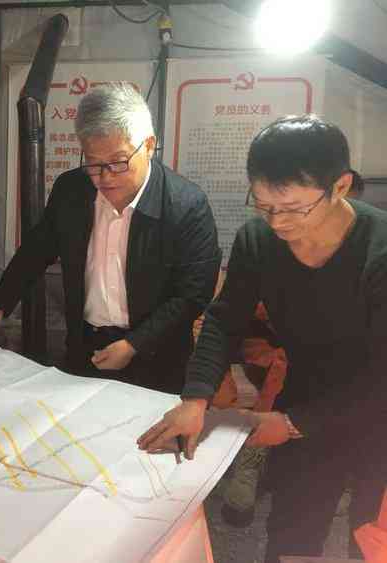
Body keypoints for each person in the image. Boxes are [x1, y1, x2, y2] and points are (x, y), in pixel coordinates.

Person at [138, 115, 387, 561]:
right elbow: (224, 319)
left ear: (341, 186)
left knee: (371, 539)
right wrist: (195, 399)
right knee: (293, 531)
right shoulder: (258, 240)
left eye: (292, 208)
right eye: (264, 205)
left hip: (379, 409)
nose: (277, 222)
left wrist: (292, 423)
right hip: (307, 390)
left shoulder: (379, 251)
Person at [0, 84, 221, 393]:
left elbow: (192, 295)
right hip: (85, 346)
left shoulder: (186, 206)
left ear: (149, 145)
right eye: (93, 164)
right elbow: (37, 250)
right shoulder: (71, 191)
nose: (106, 177)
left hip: (157, 355)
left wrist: (135, 344)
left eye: (118, 162)